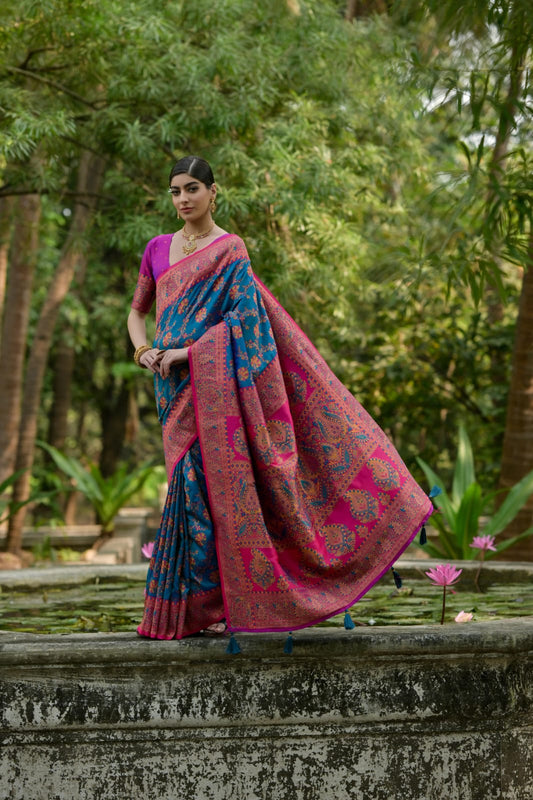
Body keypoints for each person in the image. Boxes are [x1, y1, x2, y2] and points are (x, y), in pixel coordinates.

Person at [128, 155, 433, 641]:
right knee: (184, 487)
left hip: (207, 380)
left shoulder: (231, 250)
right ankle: (186, 607)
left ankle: (206, 607)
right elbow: (136, 312)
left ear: (212, 192)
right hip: (170, 387)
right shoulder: (157, 249)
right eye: (175, 192)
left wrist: (187, 352)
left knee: (207, 489)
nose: (183, 200)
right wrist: (144, 352)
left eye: (191, 190)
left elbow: (247, 326)